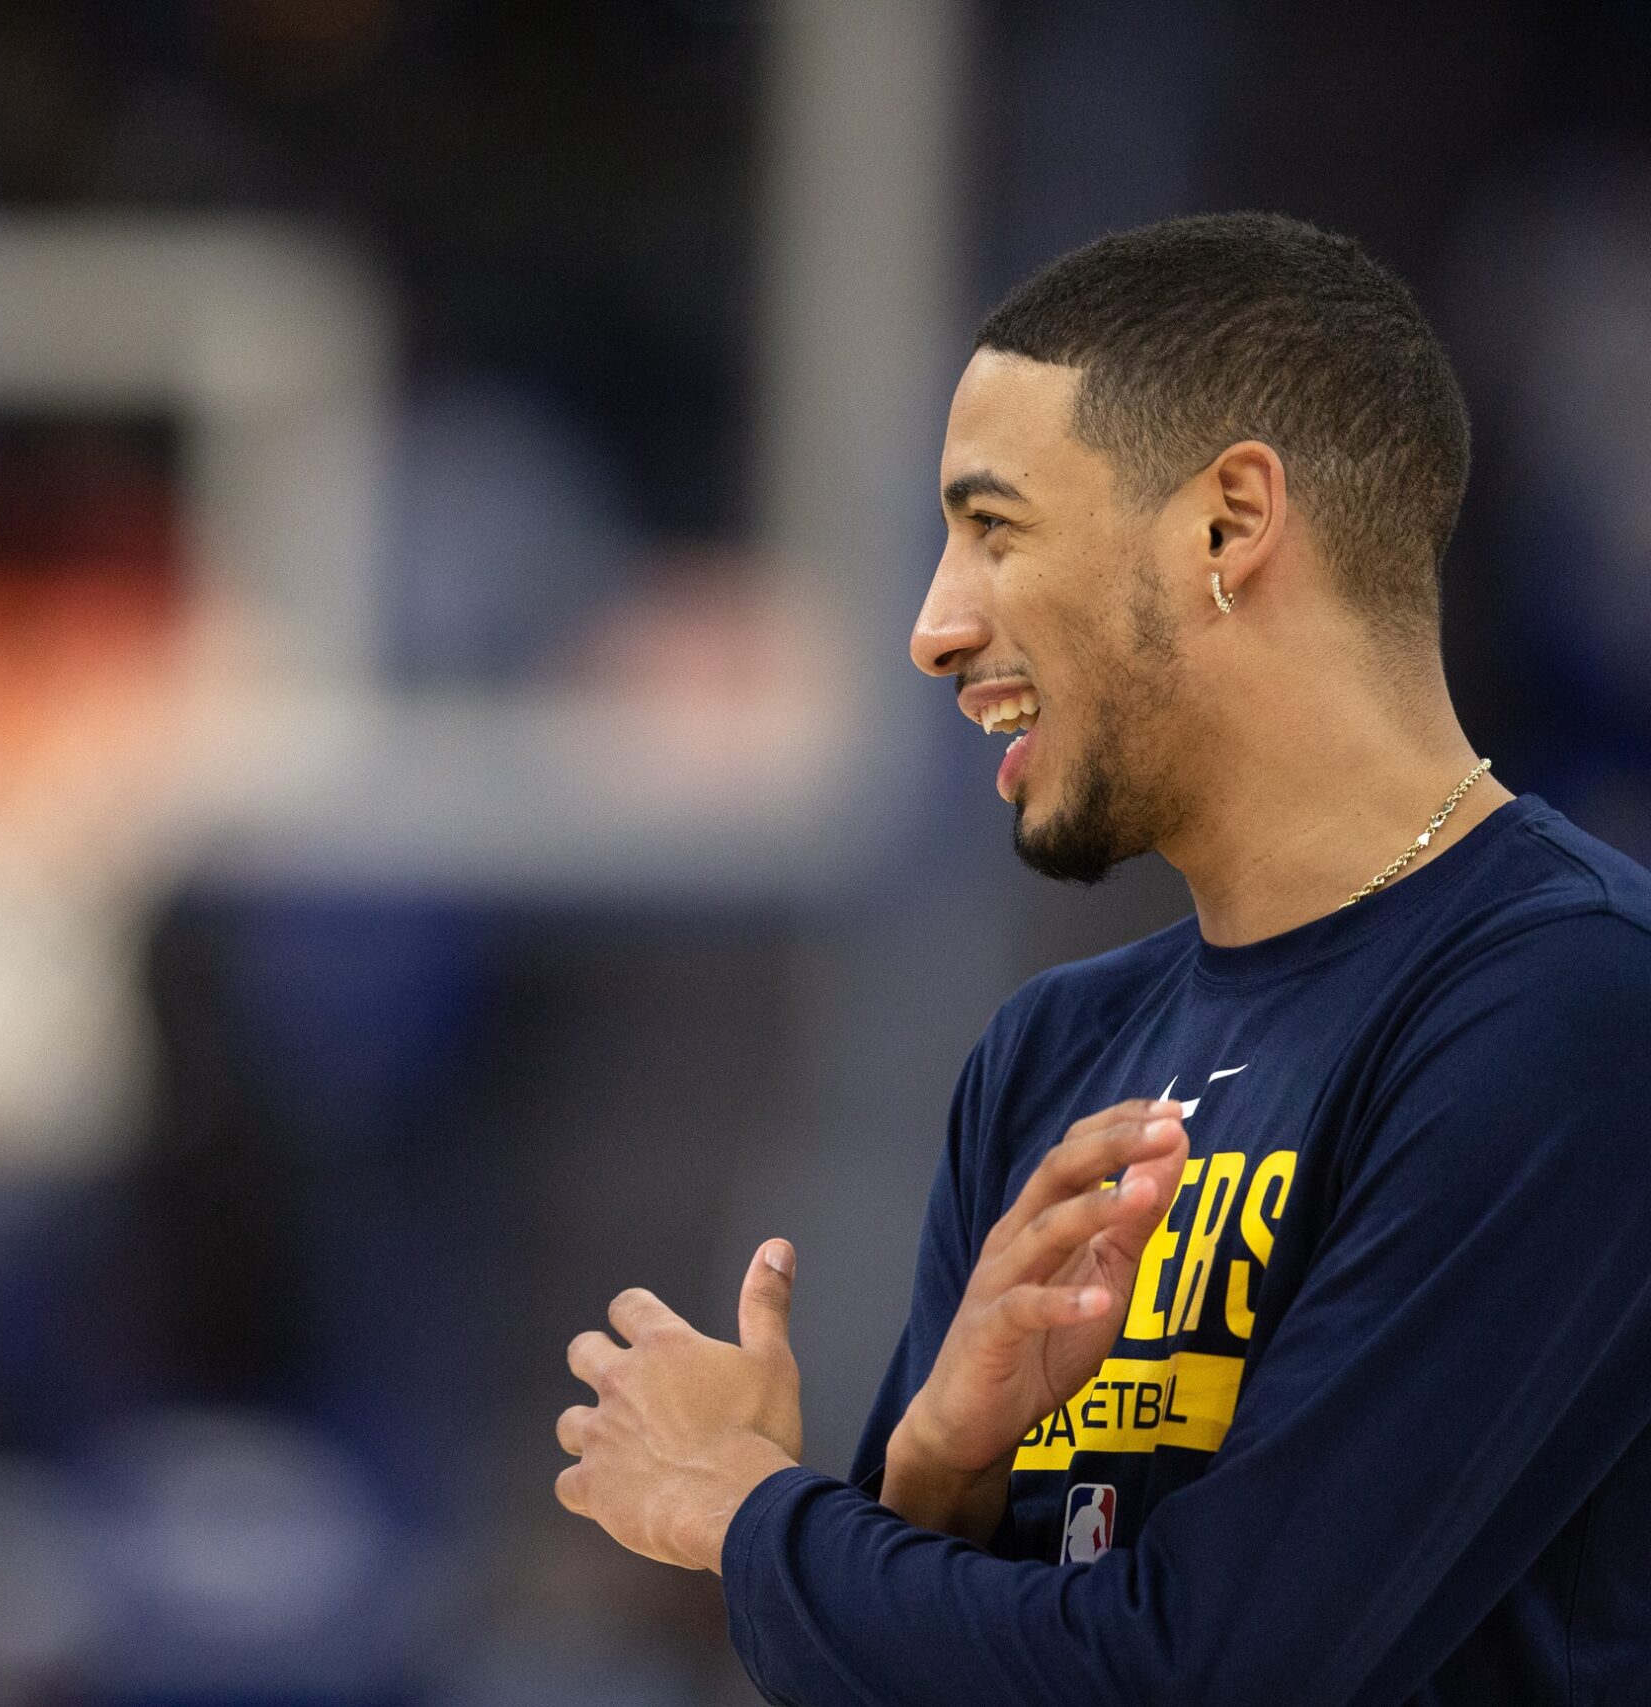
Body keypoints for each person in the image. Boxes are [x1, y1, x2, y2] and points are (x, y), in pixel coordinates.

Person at [553, 212, 1651, 1703]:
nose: (936, 628)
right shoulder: (1052, 1050)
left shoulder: (1569, 1004)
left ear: (1228, 522)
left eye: (993, 528)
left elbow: (1215, 1672)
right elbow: (918, 1664)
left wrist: (736, 1510)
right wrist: (931, 1470)